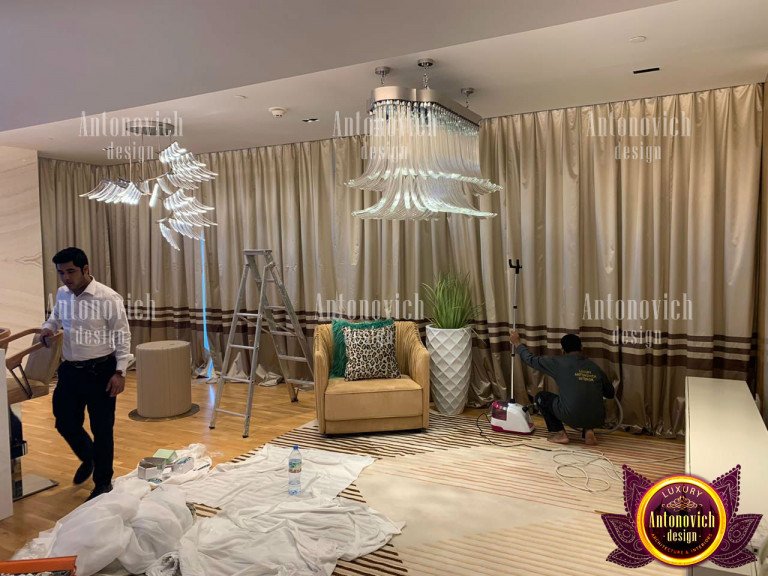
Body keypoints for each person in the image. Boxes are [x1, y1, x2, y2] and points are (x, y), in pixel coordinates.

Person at [40, 247, 133, 500]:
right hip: (70, 370)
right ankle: (89, 456)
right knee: (64, 422)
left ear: (85, 269)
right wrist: (47, 328)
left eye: (71, 271)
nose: (66, 278)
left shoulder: (108, 298)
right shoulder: (62, 294)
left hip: (101, 371)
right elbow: (55, 318)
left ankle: (103, 483)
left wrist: (120, 372)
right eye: (61, 273)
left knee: (102, 429)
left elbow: (122, 335)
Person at [509, 330, 614, 445]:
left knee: (541, 397)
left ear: (562, 350)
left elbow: (530, 359)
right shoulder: (594, 366)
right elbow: (610, 393)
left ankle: (560, 434)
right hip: (597, 418)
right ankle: (589, 432)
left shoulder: (557, 363)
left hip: (571, 416)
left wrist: (517, 343)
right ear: (581, 348)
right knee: (586, 398)